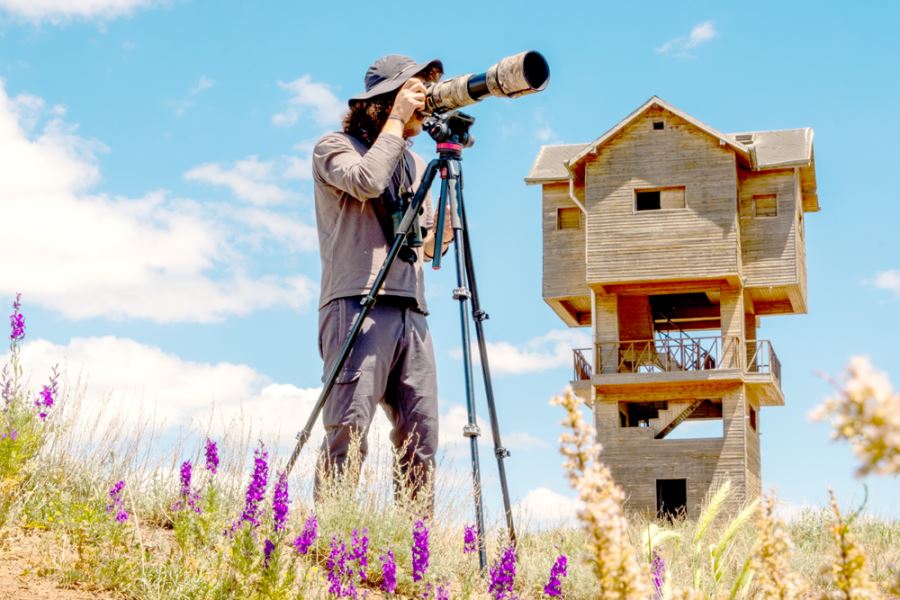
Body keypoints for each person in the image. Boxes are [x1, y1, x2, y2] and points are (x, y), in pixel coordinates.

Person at [311, 55, 453, 503]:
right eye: (412, 94)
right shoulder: (333, 147)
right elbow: (368, 181)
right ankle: (330, 537)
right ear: (381, 103)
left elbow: (430, 246)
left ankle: (416, 549)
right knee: (348, 427)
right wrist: (397, 118)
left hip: (412, 307)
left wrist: (449, 175)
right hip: (357, 300)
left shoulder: (412, 163)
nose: (421, 108)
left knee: (422, 437)